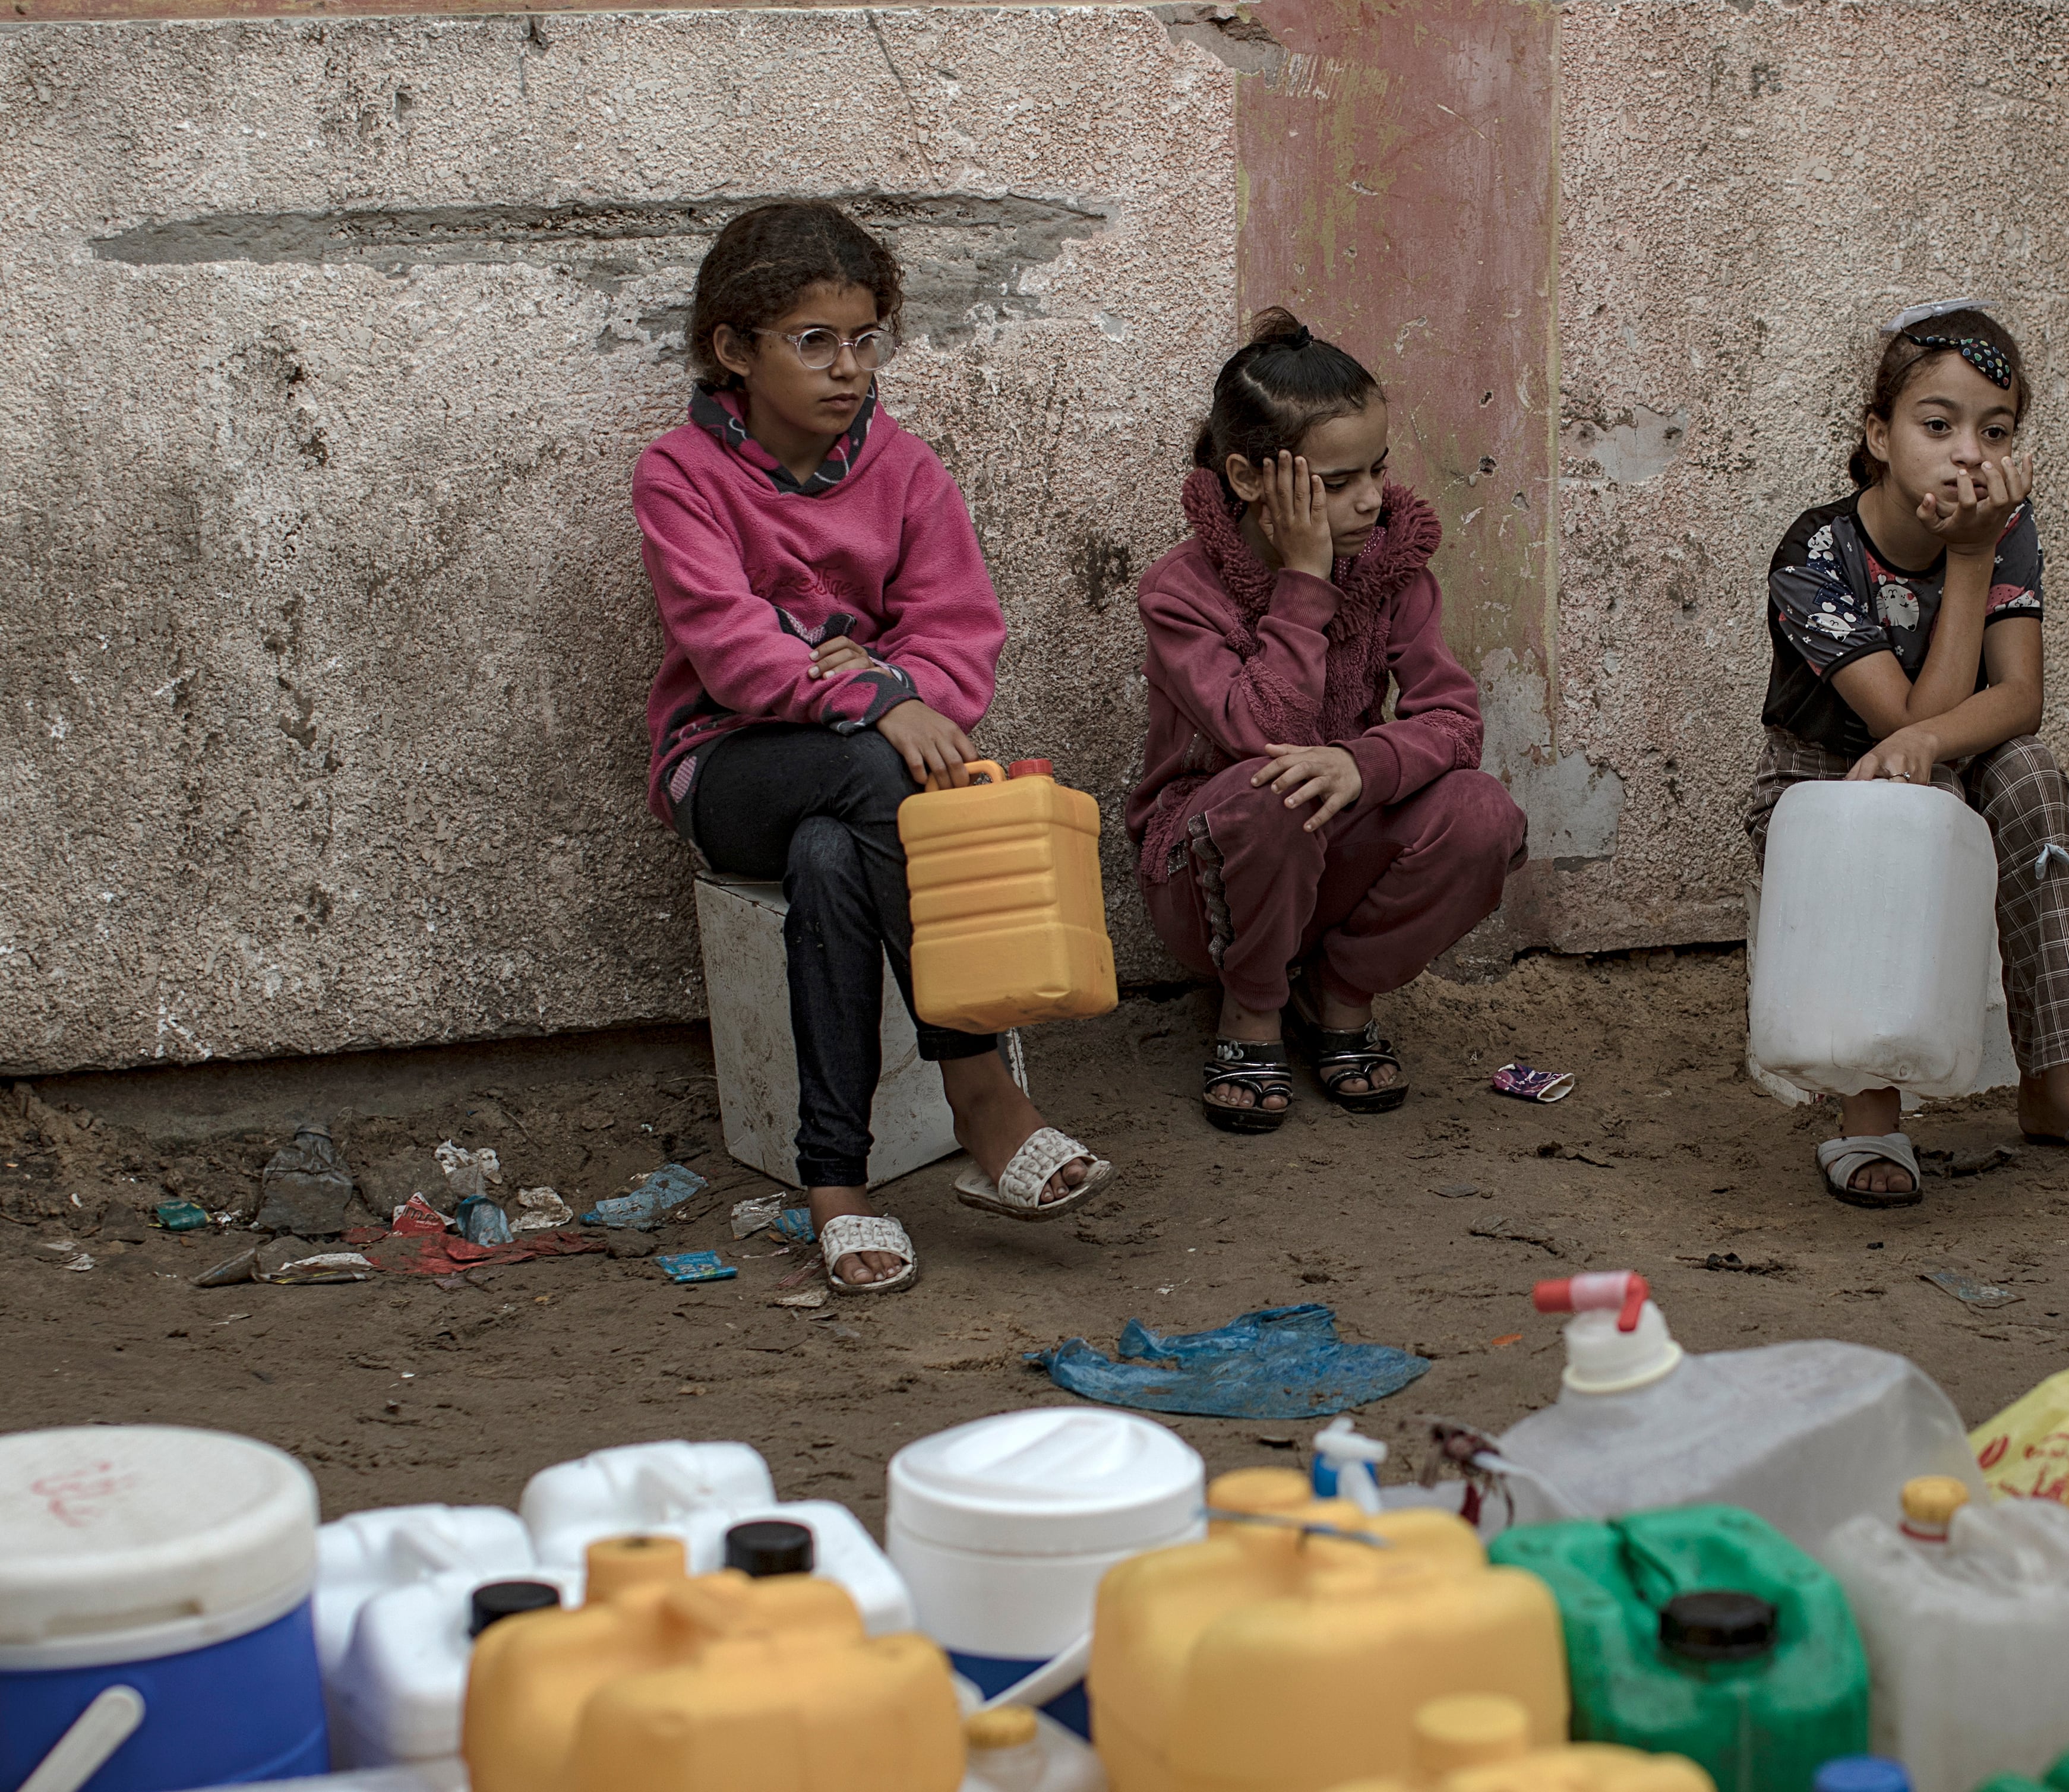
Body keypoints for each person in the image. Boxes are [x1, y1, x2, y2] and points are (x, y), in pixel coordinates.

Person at [631, 200, 1114, 1295]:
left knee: (834, 856)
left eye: (863, 340)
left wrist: (899, 691)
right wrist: (877, 698)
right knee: (870, 766)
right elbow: (731, 650)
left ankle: (836, 1187)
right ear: (733, 351)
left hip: (860, 794)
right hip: (726, 766)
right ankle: (983, 1095)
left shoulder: (906, 471)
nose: (845, 369)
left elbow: (960, 641)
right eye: (811, 341)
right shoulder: (679, 475)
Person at [1748, 298, 2069, 1206]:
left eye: (1995, 431)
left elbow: (2019, 699)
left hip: (1941, 759)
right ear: (1879, 435)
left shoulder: (2007, 528)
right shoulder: (1818, 550)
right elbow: (1902, 720)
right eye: (1938, 424)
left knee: (2029, 777)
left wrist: (1979, 555)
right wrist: (1964, 563)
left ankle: (2051, 1084)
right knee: (1892, 810)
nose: (1968, 453)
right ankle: (1869, 1110)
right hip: (1827, 788)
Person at [1127, 308, 1527, 1131]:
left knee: (1485, 813)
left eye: (1377, 471)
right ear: (1247, 478)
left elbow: (1452, 721)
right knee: (1277, 787)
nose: (1372, 501)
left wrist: (1364, 765)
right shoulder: (1181, 593)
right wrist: (1304, 582)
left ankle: (1339, 996)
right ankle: (1251, 1011)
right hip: (1208, 878)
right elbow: (1257, 727)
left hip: (1333, 851)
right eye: (1337, 484)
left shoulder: (1393, 573)